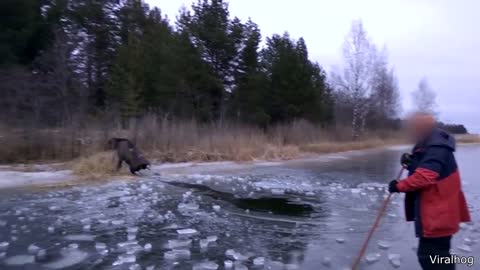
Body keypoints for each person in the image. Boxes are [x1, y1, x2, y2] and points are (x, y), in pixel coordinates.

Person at [388, 111, 470, 270]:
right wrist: (411, 162)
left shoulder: (437, 146)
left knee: (430, 257)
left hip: (439, 212)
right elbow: (429, 167)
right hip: (438, 211)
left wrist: (398, 186)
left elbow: (426, 176)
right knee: (437, 255)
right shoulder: (429, 143)